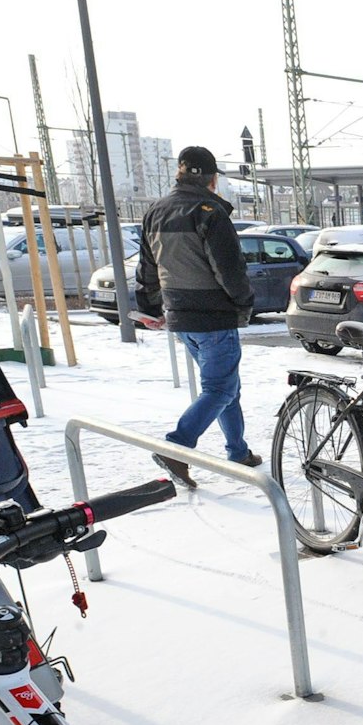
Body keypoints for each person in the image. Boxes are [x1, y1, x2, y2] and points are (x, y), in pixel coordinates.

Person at [137, 145, 259, 488]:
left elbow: (147, 267)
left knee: (225, 387)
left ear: (179, 172)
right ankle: (176, 447)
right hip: (214, 316)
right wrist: (244, 302)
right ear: (213, 179)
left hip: (180, 315)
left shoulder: (155, 211)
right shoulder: (209, 212)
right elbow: (229, 269)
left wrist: (148, 307)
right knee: (220, 388)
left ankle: (238, 452)